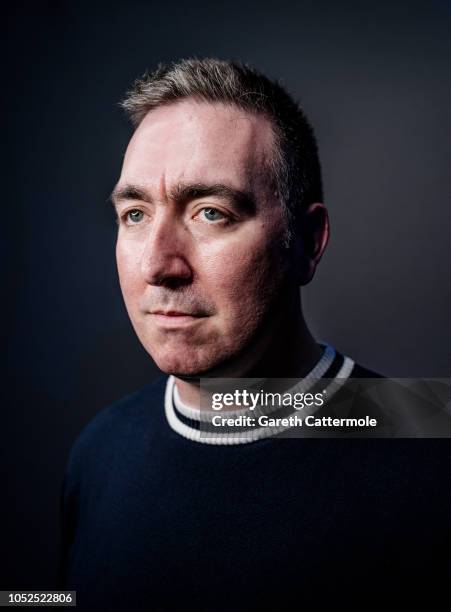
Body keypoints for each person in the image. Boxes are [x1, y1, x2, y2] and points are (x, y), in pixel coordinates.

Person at [58, 58, 450, 609]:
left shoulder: (432, 457)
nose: (159, 265)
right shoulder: (99, 451)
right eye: (135, 215)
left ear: (307, 241)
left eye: (211, 213)